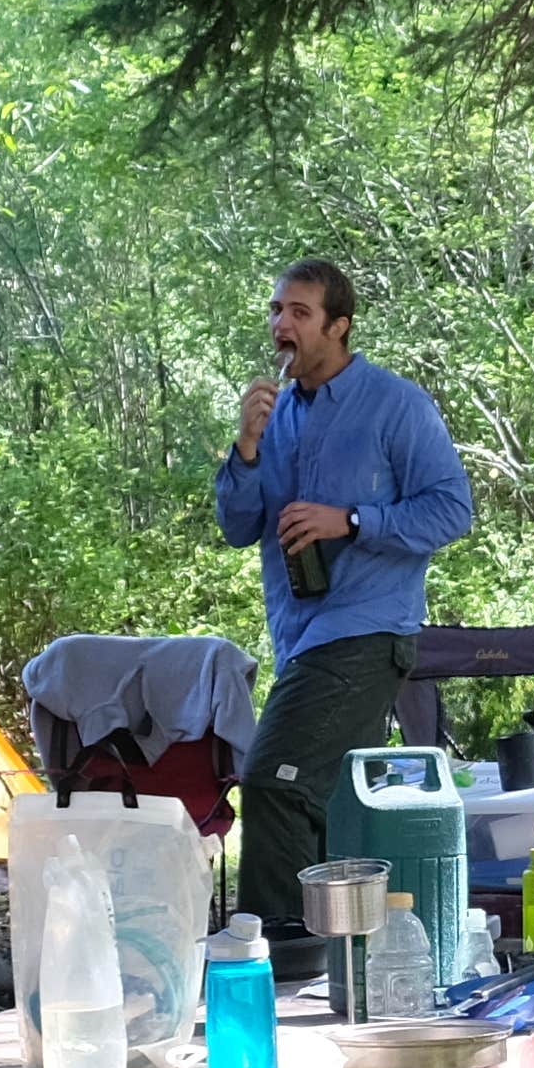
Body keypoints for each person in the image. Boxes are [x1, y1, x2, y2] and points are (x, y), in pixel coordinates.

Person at [210, 257, 476, 957]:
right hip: (299, 636)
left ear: (339, 326)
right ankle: (348, 958)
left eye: (300, 313)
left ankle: (278, 956)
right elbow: (237, 526)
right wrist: (244, 449)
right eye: (277, 310)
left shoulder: (395, 404)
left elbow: (452, 510)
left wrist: (352, 520)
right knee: (327, 802)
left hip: (368, 628)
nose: (282, 324)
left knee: (272, 780)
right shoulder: (273, 415)